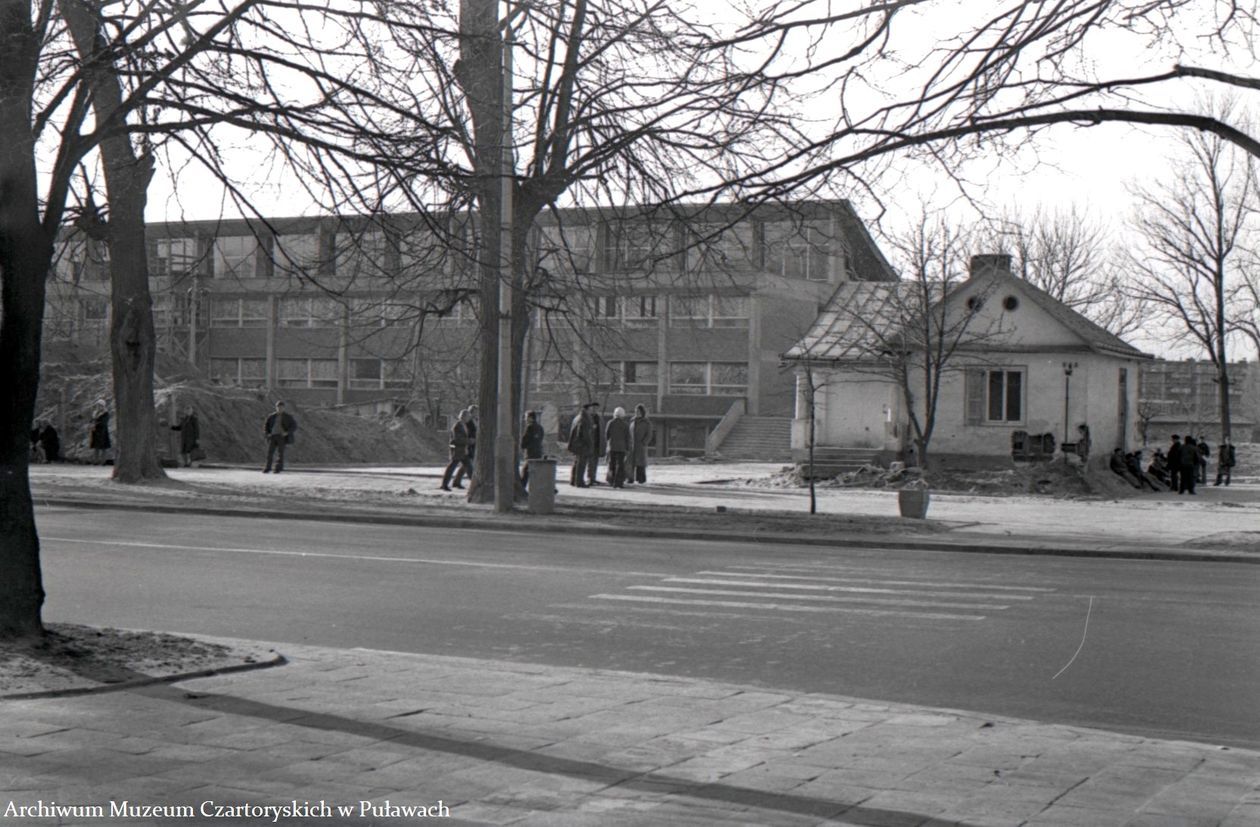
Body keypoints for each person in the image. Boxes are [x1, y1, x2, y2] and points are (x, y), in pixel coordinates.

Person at [440, 408, 473, 491]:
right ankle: (444, 485)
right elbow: (457, 439)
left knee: (469, 468)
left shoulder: (464, 425)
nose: (469, 418)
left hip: (463, 451)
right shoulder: (457, 426)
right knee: (452, 467)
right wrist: (469, 441)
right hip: (457, 450)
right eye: (468, 417)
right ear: (463, 417)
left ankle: (472, 485)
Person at [262, 400, 298, 474]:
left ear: (284, 408)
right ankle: (267, 468)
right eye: (278, 407)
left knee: (280, 453)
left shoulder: (288, 417)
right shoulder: (271, 416)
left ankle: (278, 468)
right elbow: (266, 425)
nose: (280, 408)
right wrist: (267, 433)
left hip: (281, 437)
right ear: (276, 407)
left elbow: (294, 426)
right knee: (270, 453)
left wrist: (287, 433)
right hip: (272, 436)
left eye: (281, 407)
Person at [566, 403, 595, 487]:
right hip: (582, 444)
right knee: (581, 463)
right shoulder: (584, 419)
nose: (591, 410)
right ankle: (579, 481)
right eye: (590, 409)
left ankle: (573, 480)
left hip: (576, 444)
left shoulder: (577, 417)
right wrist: (589, 443)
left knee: (576, 462)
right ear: (587, 409)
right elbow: (584, 433)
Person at [604, 407, 631, 489]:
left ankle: (611, 480)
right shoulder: (625, 424)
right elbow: (628, 437)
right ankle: (618, 482)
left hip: (612, 447)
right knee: (620, 465)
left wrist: (608, 443)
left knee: (611, 464)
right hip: (622, 447)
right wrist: (627, 448)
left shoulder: (610, 423)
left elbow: (606, 434)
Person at [627, 404, 654, 485]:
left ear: (642, 412)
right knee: (630, 463)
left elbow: (649, 434)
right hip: (632, 446)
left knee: (640, 463)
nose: (637, 413)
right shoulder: (632, 421)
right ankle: (630, 478)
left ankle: (641, 479)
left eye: (638, 411)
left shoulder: (646, 422)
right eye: (636, 411)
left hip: (640, 445)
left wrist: (644, 443)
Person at [453, 404, 478, 488]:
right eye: (475, 412)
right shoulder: (468, 422)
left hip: (472, 443)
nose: (477, 413)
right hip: (468, 444)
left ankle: (457, 481)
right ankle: (473, 483)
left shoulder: (475, 420)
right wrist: (470, 441)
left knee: (466, 464)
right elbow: (467, 432)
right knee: (467, 464)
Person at [520, 410, 545, 491]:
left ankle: (522, 487)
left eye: (526, 417)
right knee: (536, 471)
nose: (525, 419)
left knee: (525, 471)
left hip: (531, 453)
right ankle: (547, 487)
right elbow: (541, 438)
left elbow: (525, 440)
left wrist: (523, 446)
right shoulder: (540, 427)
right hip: (538, 452)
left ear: (530, 418)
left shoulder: (530, 427)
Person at [88, 400, 111, 464]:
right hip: (95, 432)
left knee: (103, 448)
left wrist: (96, 423)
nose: (99, 407)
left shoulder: (105, 413)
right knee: (96, 447)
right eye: (98, 405)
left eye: (100, 405)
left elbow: (104, 422)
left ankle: (103, 461)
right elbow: (91, 420)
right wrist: (91, 424)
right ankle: (96, 461)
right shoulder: (95, 413)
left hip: (103, 432)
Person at [587, 404, 604, 486]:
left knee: (595, 461)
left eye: (596, 408)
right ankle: (590, 478)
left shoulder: (599, 418)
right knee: (591, 462)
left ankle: (593, 478)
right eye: (594, 408)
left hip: (598, 443)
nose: (595, 410)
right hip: (591, 443)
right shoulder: (589, 418)